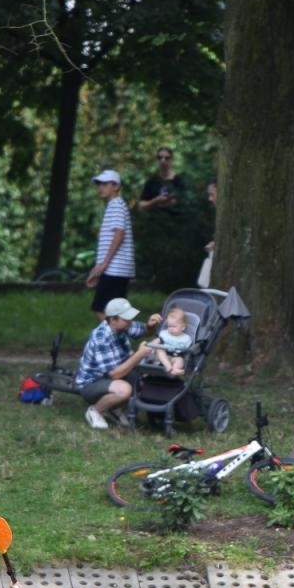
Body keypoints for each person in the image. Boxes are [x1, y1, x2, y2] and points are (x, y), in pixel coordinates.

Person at [76, 297, 162, 430]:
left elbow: (144, 330)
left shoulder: (123, 326)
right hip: (92, 382)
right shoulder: (101, 337)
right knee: (124, 390)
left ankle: (114, 409)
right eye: (126, 319)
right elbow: (115, 374)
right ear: (112, 319)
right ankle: (95, 410)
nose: (130, 321)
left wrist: (150, 325)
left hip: (113, 375)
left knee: (143, 379)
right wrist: (138, 355)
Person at [86, 169, 136, 319]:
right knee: (117, 314)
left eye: (104, 184)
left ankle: (112, 340)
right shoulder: (115, 205)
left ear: (116, 186)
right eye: (99, 184)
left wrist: (104, 264)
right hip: (117, 268)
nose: (100, 188)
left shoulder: (116, 205)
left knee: (101, 309)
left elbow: (119, 233)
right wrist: (98, 268)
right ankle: (120, 340)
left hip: (115, 269)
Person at [138, 146, 187, 215]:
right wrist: (155, 201)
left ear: (172, 160)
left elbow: (186, 203)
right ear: (156, 160)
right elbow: (141, 206)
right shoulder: (151, 182)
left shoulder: (180, 181)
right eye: (159, 158)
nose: (163, 161)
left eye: (167, 158)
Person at [146, 306, 194, 376]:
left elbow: (188, 350)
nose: (171, 328)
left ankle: (174, 369)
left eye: (174, 326)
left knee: (180, 360)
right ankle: (168, 366)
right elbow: (157, 341)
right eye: (169, 326)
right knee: (160, 349)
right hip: (162, 357)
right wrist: (154, 343)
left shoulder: (186, 338)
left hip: (175, 357)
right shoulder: (164, 334)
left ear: (183, 327)